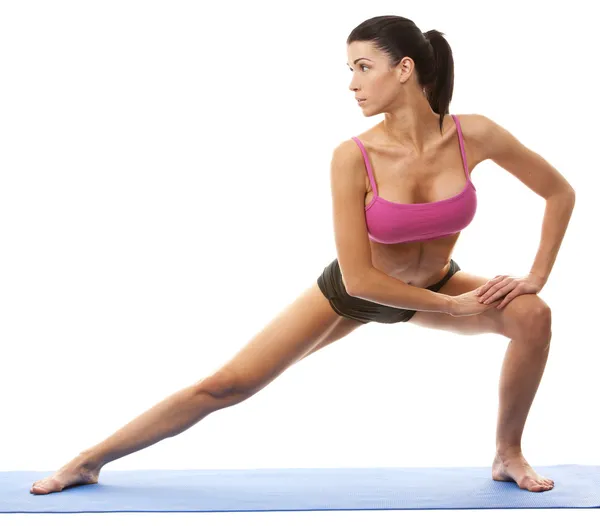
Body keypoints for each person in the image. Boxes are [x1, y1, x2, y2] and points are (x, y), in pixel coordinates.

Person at [30, 15, 575, 496]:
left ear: (405, 68)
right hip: (353, 293)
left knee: (534, 316)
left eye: (363, 67)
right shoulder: (353, 156)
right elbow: (360, 278)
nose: (352, 83)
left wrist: (536, 276)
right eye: (349, 69)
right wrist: (455, 309)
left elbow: (558, 192)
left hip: (435, 285)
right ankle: (87, 461)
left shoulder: (473, 134)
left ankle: (507, 453)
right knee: (226, 386)